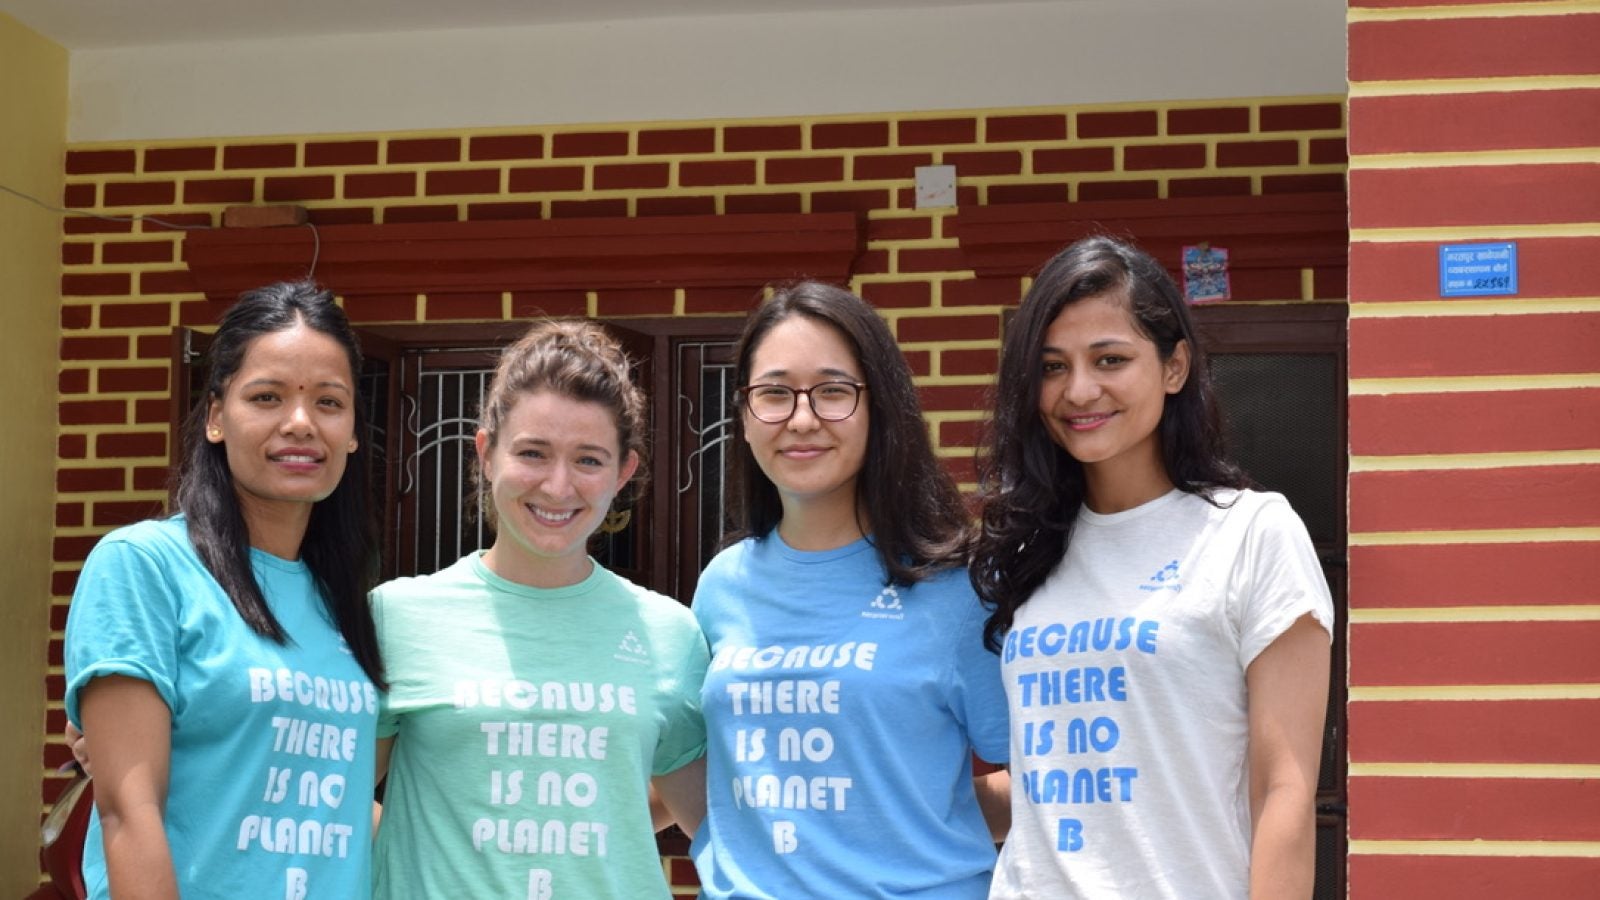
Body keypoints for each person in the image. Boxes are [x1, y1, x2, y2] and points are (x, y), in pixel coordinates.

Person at [970, 235, 1333, 899]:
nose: (1079, 390)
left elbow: (1284, 790)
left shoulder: (1251, 532)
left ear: (1175, 367)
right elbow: (1056, 768)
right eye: (1052, 367)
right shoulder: (1027, 548)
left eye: (1110, 359)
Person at [63, 282, 385, 900]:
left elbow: (325, 807)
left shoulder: (346, 600)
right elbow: (129, 815)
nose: (300, 423)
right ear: (216, 415)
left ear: (350, 432)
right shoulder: (145, 567)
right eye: (266, 397)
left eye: (329, 401)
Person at [690, 281, 1010, 898]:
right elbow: (709, 773)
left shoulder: (959, 587)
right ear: (744, 414)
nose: (802, 419)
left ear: (880, 407)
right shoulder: (722, 585)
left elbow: (1046, 781)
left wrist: (912, 819)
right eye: (774, 393)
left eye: (834, 391)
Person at [369, 320, 708, 899]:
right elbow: (329, 805)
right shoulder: (398, 617)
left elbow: (717, 827)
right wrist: (420, 850)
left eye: (589, 460)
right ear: (485, 454)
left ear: (624, 471)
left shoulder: (669, 634)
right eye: (532, 453)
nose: (558, 486)